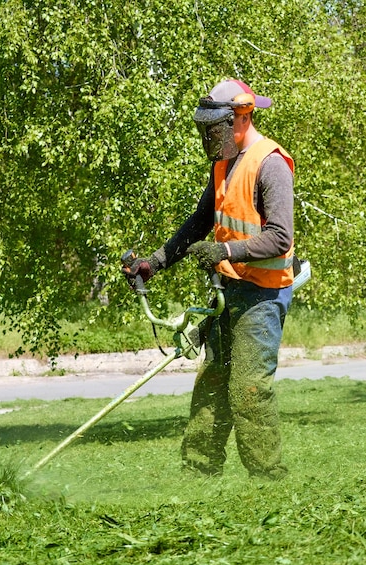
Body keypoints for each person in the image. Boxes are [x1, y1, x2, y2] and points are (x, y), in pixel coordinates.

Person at [125, 78, 294, 480]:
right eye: (205, 130)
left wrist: (226, 251)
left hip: (263, 297)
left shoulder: (269, 163)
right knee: (211, 386)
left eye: (214, 130)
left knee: (249, 390)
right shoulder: (223, 163)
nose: (209, 139)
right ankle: (198, 476)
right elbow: (199, 223)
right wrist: (154, 263)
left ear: (242, 116)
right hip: (229, 292)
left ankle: (269, 481)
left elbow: (281, 236)